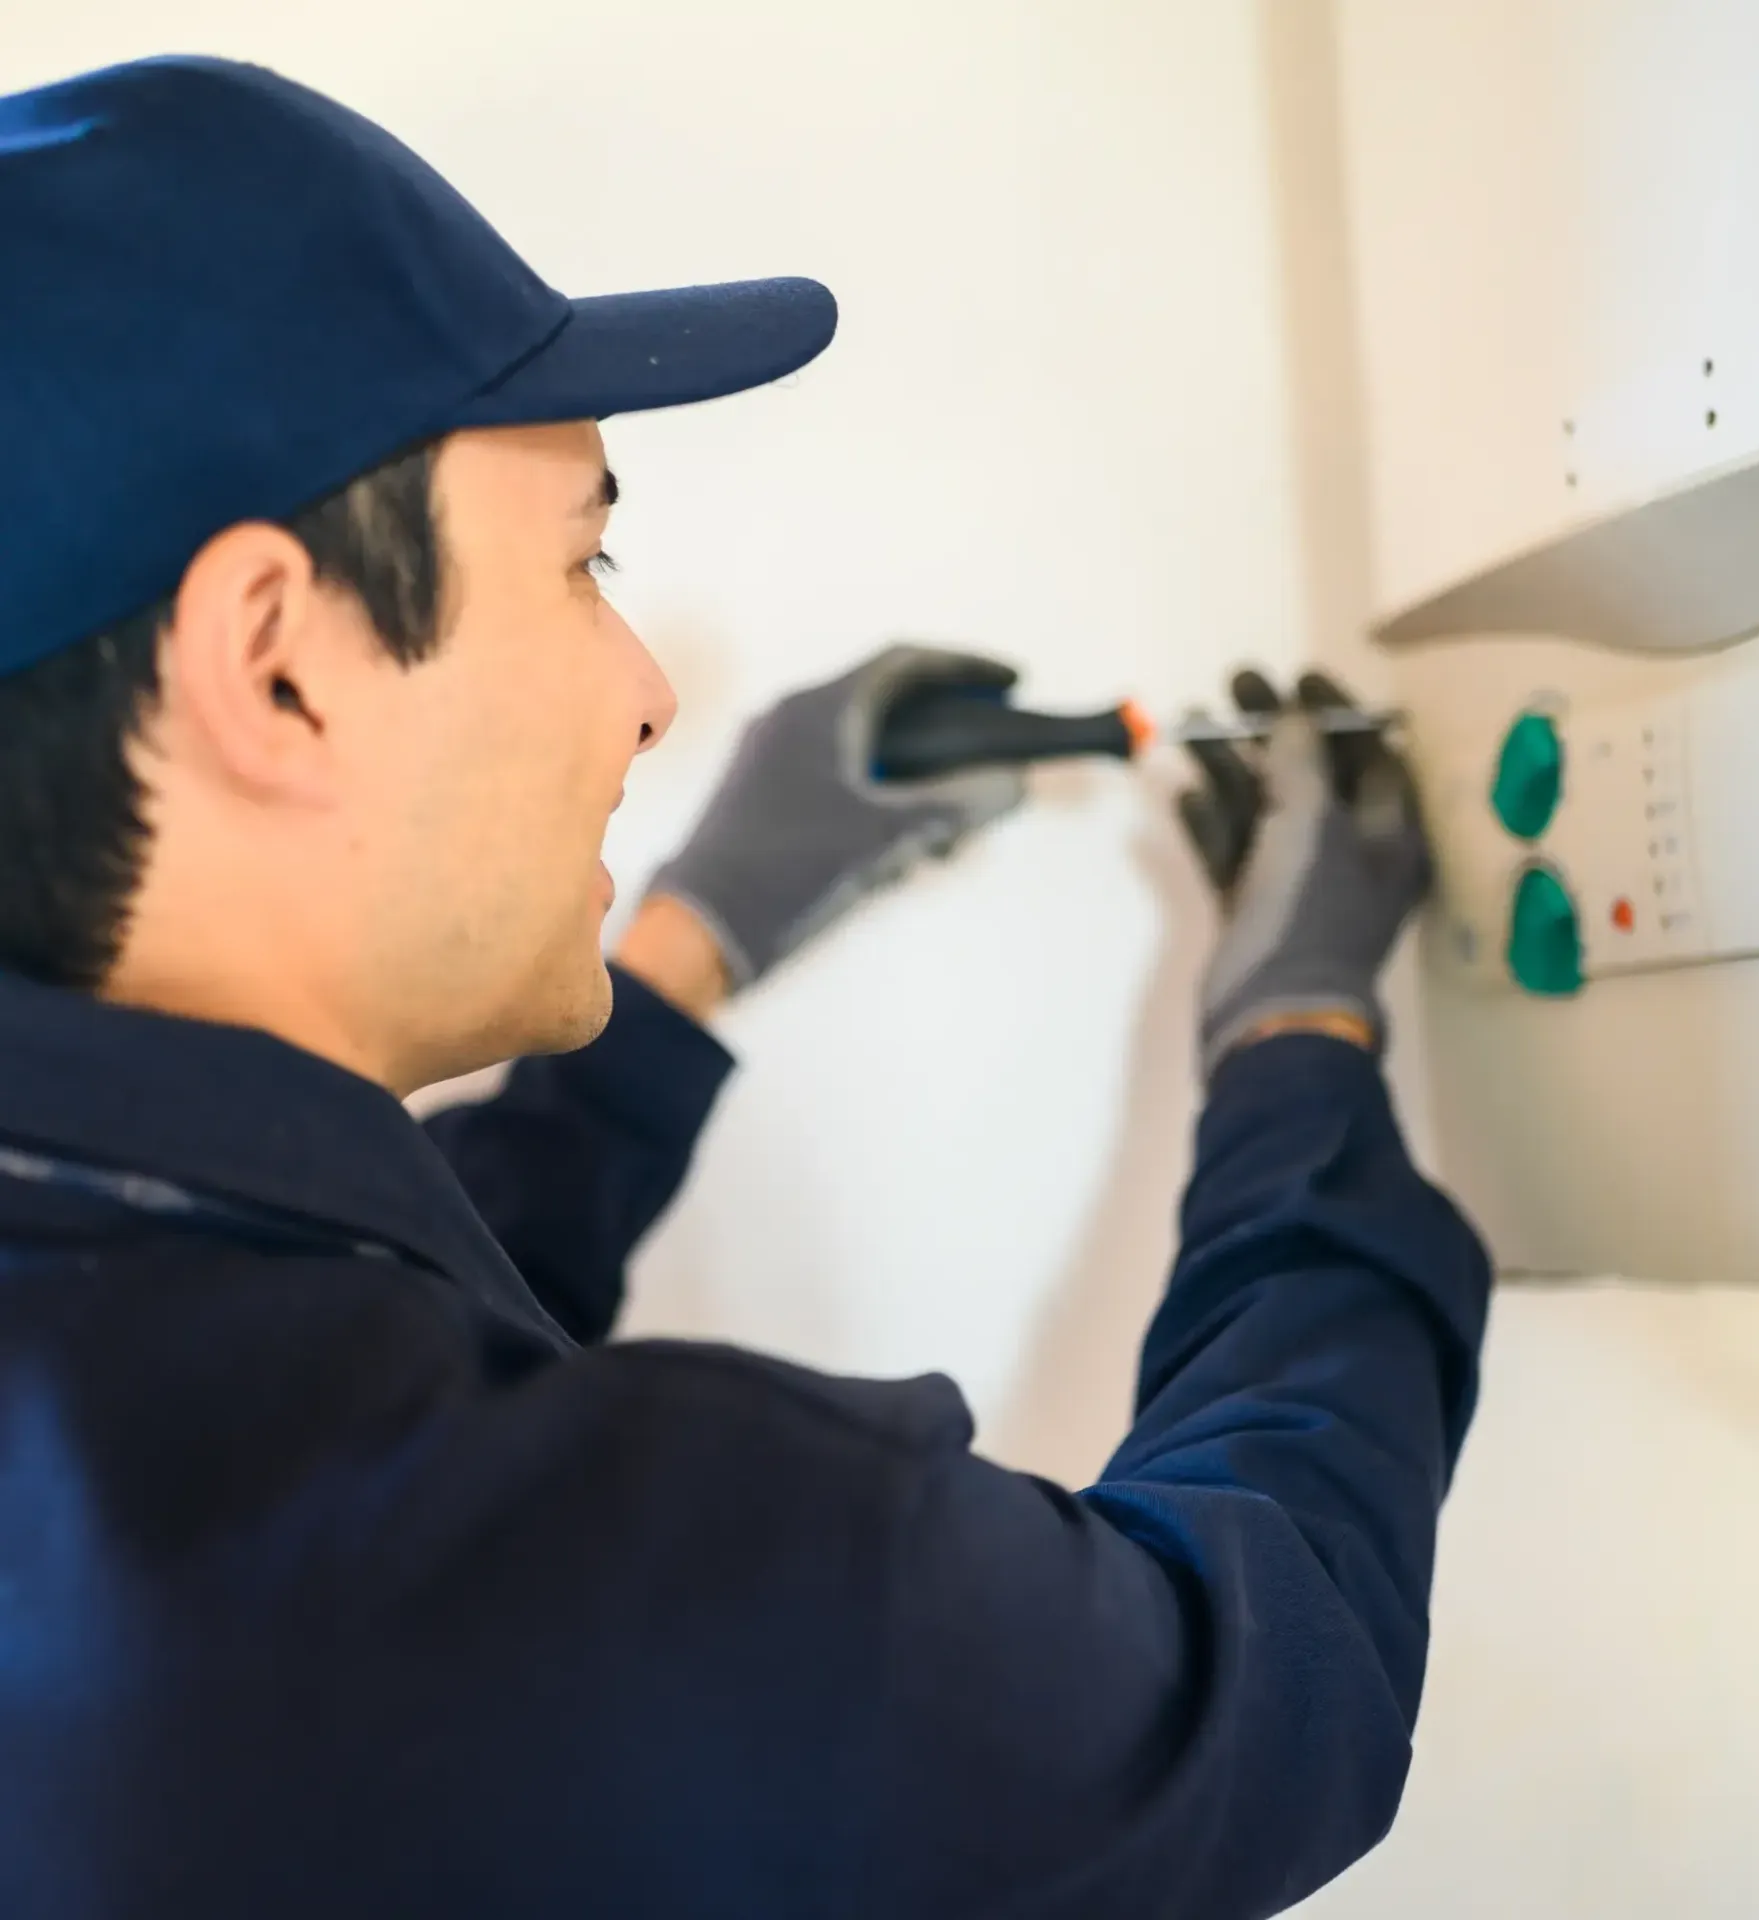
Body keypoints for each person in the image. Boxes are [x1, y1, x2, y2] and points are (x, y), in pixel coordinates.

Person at [0, 53, 1492, 1920]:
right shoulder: (545, 1590)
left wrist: (688, 948)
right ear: (276, 664)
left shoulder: (115, 1332)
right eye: (584, 558)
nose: (647, 695)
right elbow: (1255, 1685)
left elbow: (328, 1313)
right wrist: (1301, 1044)